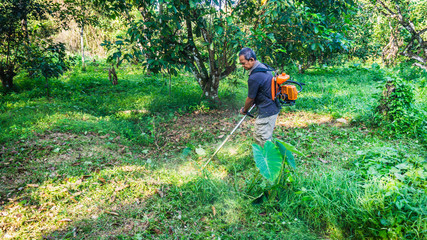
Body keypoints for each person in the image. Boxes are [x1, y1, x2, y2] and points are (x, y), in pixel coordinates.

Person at [238, 47, 280, 146]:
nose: (243, 66)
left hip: (267, 110)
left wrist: (244, 110)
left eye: (244, 63)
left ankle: (266, 160)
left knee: (261, 137)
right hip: (273, 106)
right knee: (265, 137)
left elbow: (250, 98)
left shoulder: (254, 77)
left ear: (251, 60)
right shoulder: (263, 67)